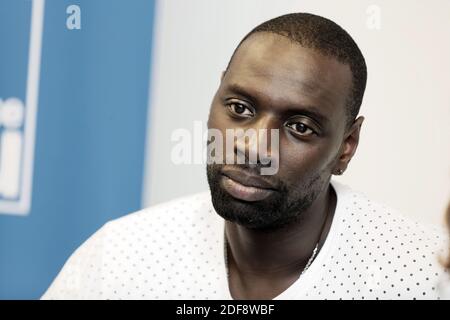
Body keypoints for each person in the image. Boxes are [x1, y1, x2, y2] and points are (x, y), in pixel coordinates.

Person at [42, 12, 446, 300]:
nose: (253, 146)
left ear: (346, 146)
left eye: (299, 127)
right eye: (239, 109)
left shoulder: (423, 276)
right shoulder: (121, 257)